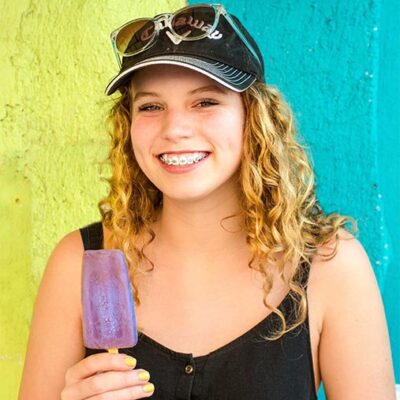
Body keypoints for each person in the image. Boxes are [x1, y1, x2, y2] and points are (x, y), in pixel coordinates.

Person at [19, 3, 396, 399]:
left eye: (205, 102)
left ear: (254, 117)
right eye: (150, 106)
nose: (175, 128)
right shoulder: (76, 264)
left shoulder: (331, 268)